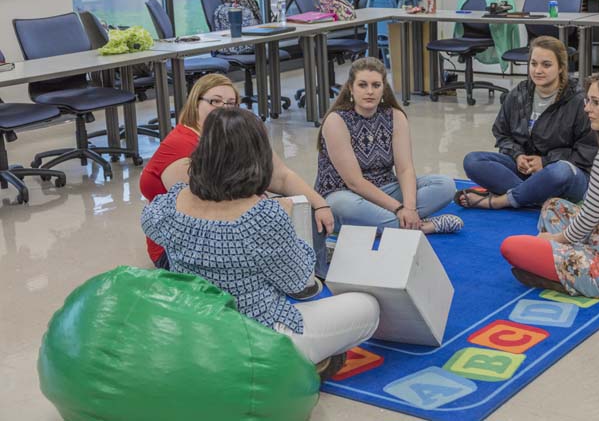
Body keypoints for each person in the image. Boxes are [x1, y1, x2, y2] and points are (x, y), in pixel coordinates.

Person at [141, 108, 380, 378]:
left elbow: (150, 220)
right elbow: (302, 285)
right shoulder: (264, 216)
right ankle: (288, 366)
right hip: (256, 337)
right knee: (367, 307)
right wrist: (287, 224)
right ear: (257, 155)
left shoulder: (171, 204)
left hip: (197, 331)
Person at [139, 74, 333, 298]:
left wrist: (319, 204)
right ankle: (305, 283)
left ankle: (314, 274)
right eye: (215, 101)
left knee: (305, 212)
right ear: (195, 102)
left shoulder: (234, 134)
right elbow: (206, 218)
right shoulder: (183, 145)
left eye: (231, 104)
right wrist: (268, 214)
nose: (223, 108)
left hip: (218, 235)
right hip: (191, 250)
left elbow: (279, 175)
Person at [500, 69, 599, 298]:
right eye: (588, 100)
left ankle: (569, 270)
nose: (587, 108)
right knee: (552, 206)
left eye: (596, 102)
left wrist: (553, 239)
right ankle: (562, 261)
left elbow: (588, 218)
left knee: (512, 246)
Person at [315, 57, 462, 234]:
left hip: (386, 189)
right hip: (345, 193)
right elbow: (354, 183)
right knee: (343, 206)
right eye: (362, 85)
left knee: (445, 185)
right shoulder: (336, 121)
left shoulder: (395, 116)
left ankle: (386, 223)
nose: (370, 91)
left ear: (383, 89)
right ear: (350, 88)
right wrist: (399, 210)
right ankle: (422, 227)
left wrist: (409, 208)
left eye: (376, 85)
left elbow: (404, 169)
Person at [457, 36, 599, 210]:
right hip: (525, 172)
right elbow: (502, 133)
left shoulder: (578, 100)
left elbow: (586, 153)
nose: (538, 70)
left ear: (561, 67)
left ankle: (499, 201)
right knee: (472, 160)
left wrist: (545, 162)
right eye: (533, 64)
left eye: (546, 65)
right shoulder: (519, 93)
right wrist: (517, 155)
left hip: (565, 176)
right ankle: (533, 199)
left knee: (559, 171)